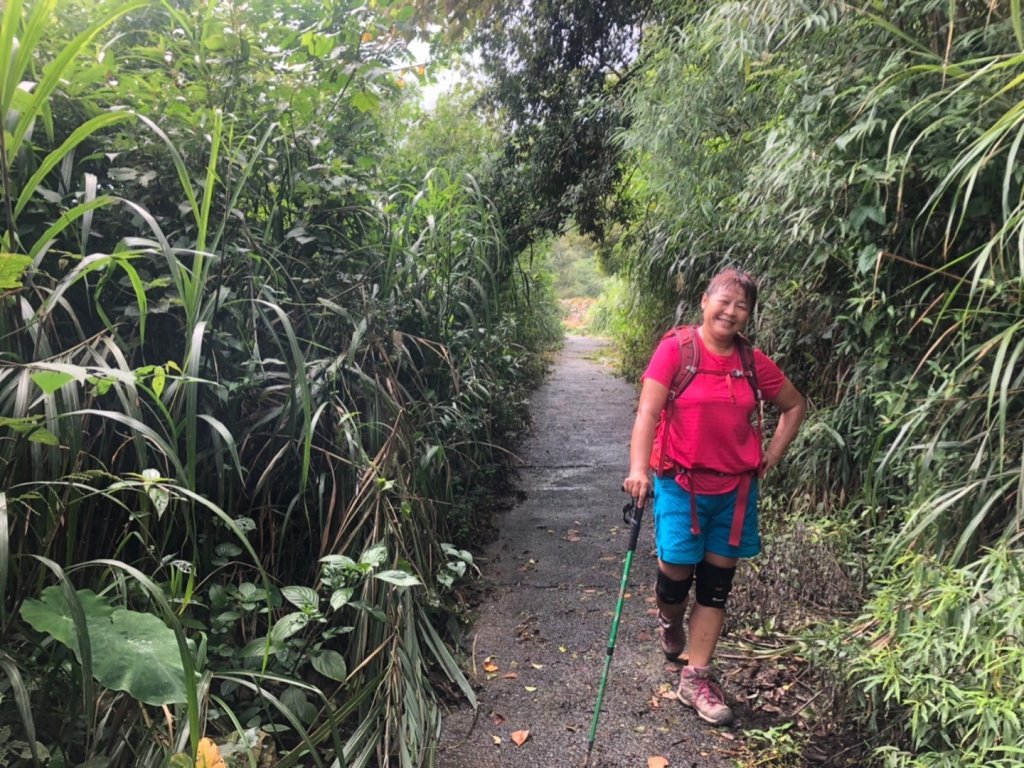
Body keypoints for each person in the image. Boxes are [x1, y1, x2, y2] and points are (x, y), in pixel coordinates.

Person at [622, 268, 806, 726]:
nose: (731, 311)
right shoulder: (677, 351)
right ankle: (669, 622)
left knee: (716, 587)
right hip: (681, 485)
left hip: (736, 492)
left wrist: (770, 455)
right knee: (675, 578)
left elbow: (794, 405)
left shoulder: (752, 362)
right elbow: (648, 411)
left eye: (741, 306)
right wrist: (638, 469)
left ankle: (696, 677)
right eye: (724, 301)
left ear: (749, 315)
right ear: (704, 302)